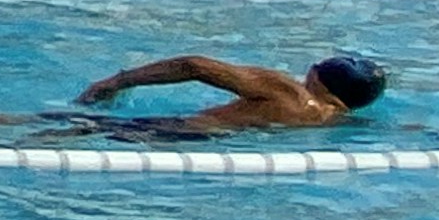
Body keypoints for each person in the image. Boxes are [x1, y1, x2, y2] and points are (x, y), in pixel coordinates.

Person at [67, 53, 388, 137]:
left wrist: (116, 81)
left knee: (61, 127)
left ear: (316, 78)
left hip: (178, 131)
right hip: (209, 142)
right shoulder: (337, 121)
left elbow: (192, 66)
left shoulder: (288, 93)